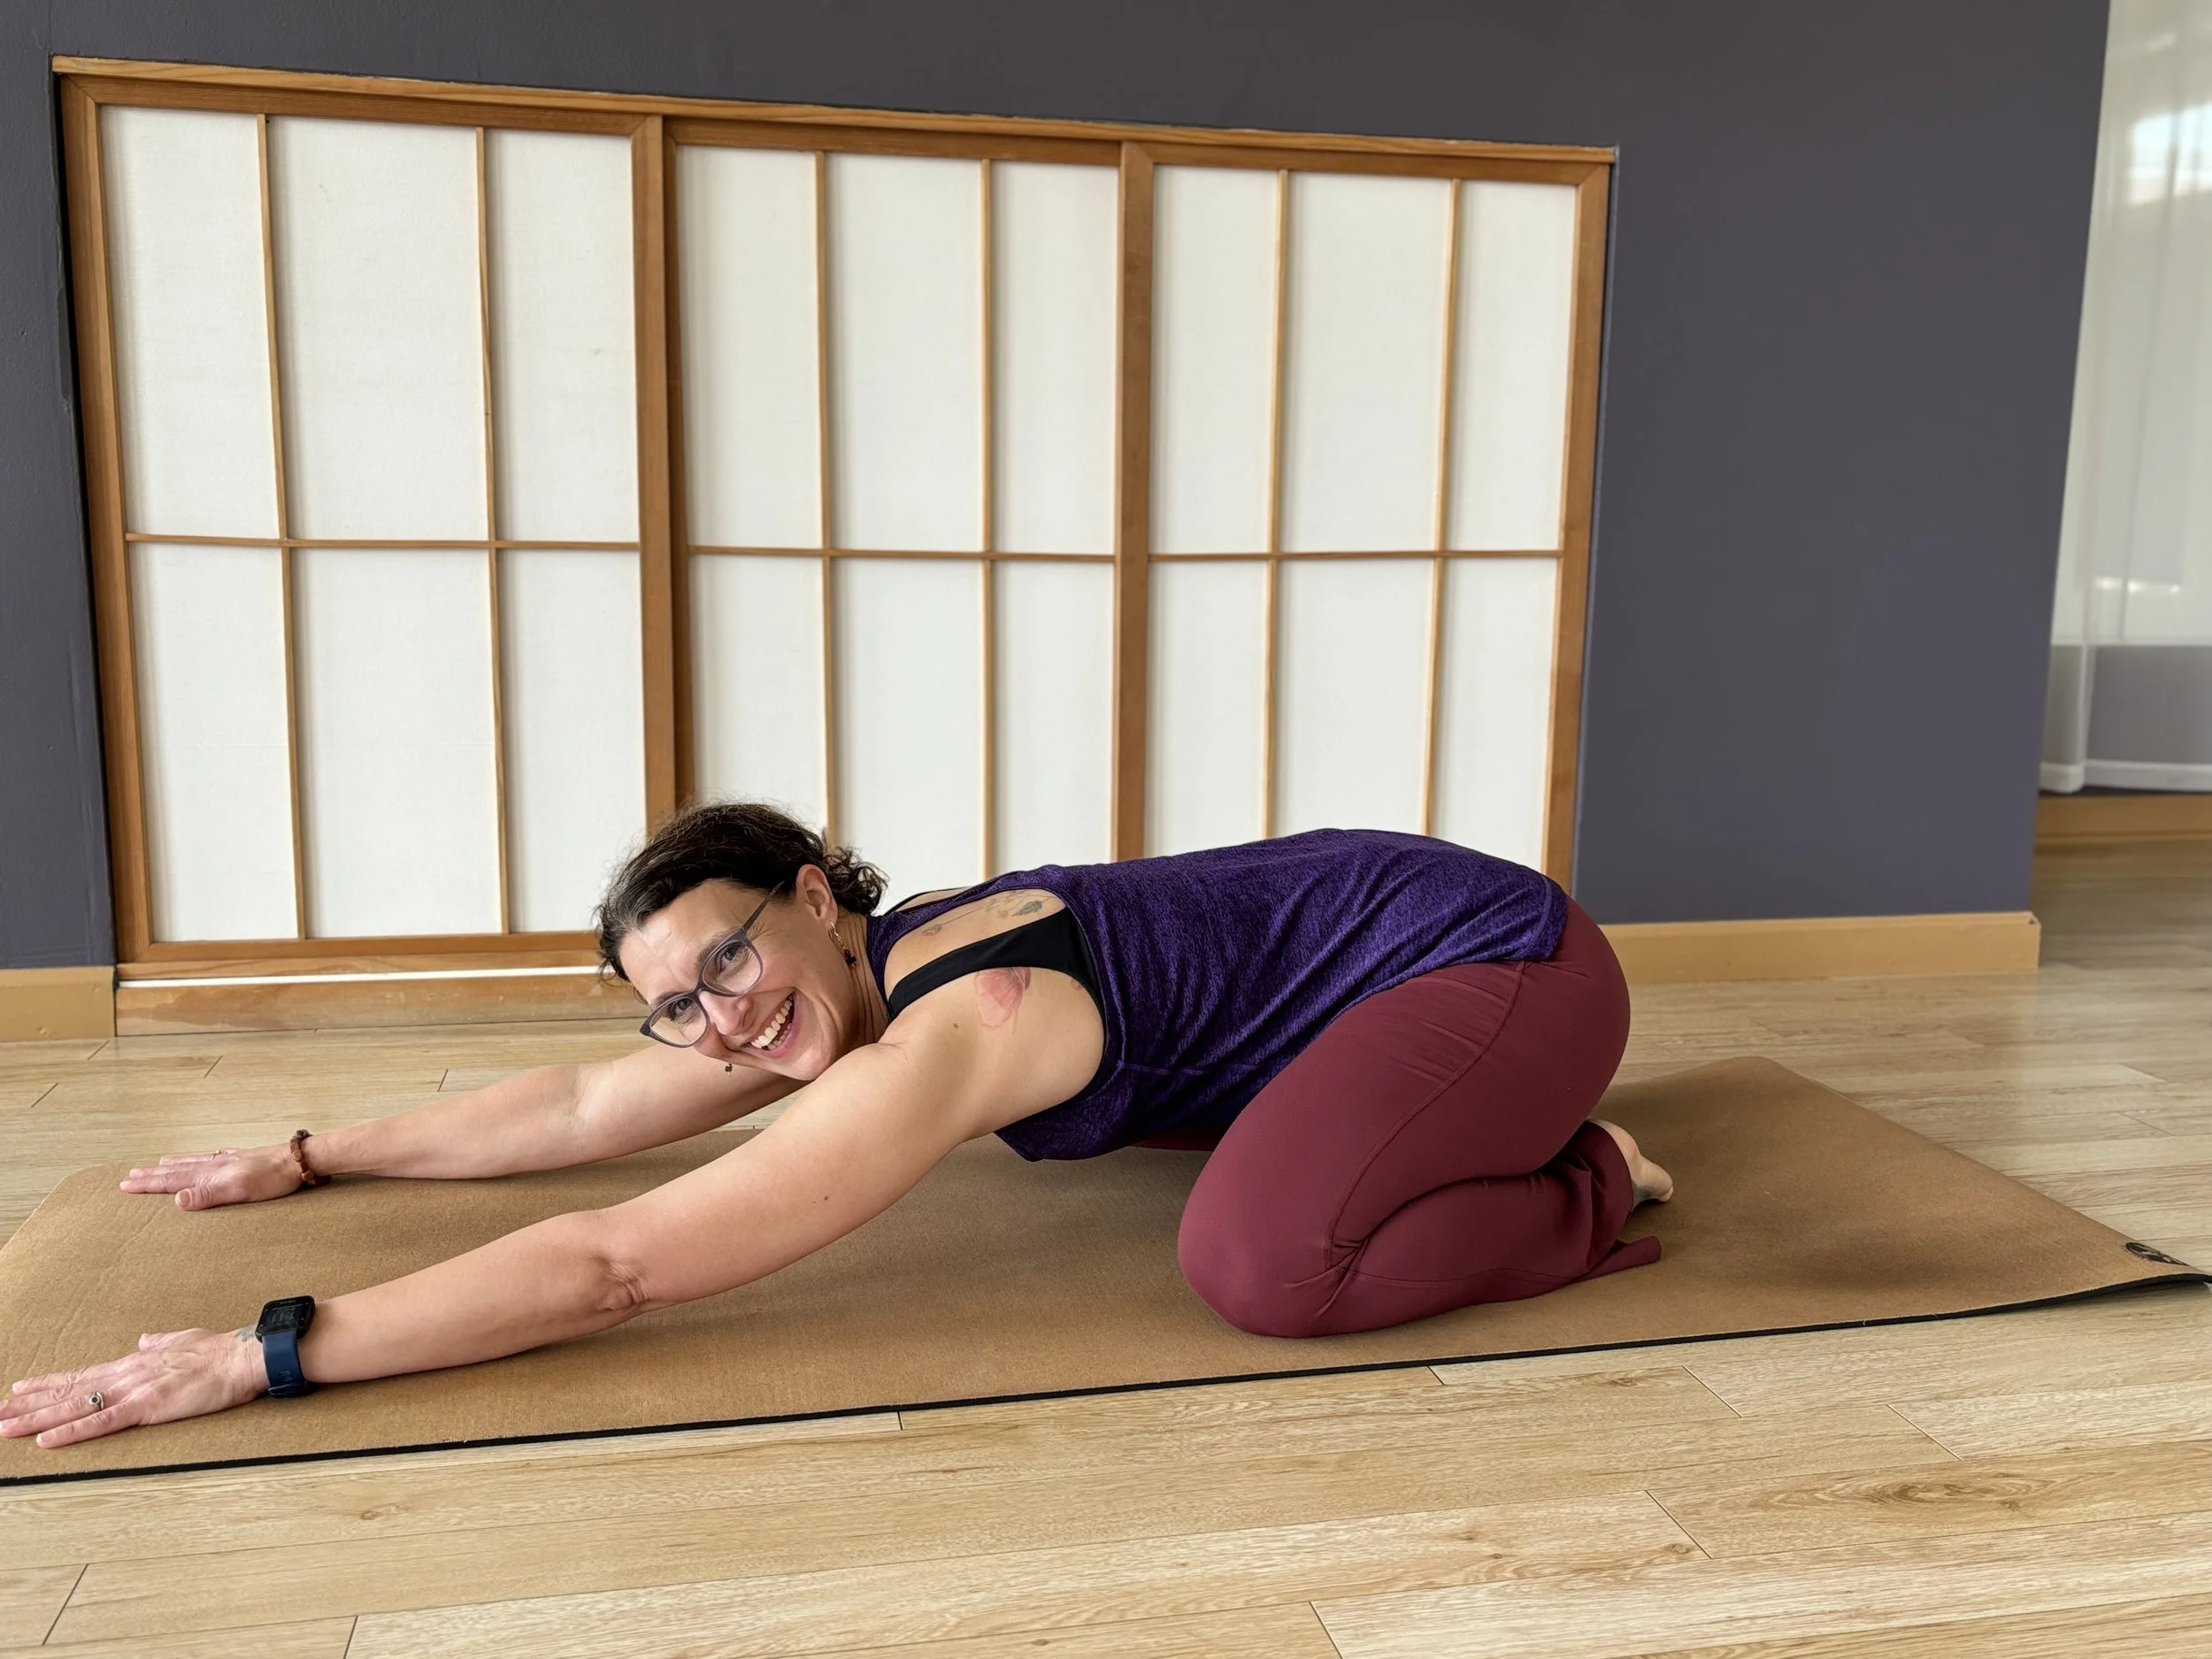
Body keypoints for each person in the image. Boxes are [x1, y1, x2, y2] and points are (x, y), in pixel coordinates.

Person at [1, 803, 1671, 1449]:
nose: (721, 1021)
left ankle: (1589, 1177)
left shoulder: (969, 1015)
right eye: (682, 1001)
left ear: (816, 900)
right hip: (1330, 1013)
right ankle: (1439, 1138)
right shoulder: (834, 992)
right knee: (1244, 1179)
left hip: (1505, 962)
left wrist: (260, 1354)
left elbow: (617, 1264)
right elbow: (584, 1110)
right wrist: (308, 1155)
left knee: (1263, 1262)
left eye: (731, 957)